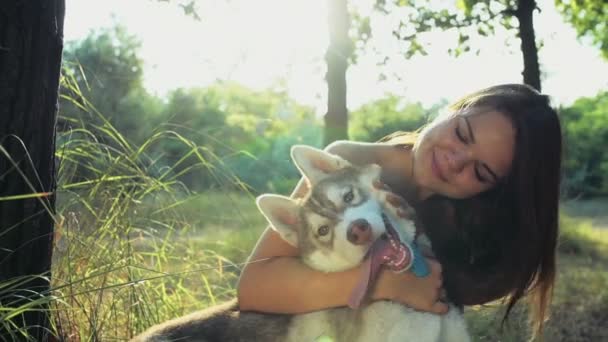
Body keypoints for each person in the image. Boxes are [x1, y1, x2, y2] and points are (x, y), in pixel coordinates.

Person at [237, 84, 562, 338]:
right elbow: (255, 286)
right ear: (451, 110)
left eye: (480, 173)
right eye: (461, 134)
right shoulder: (349, 164)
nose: (455, 161)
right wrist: (387, 284)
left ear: (493, 191)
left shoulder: (470, 225)